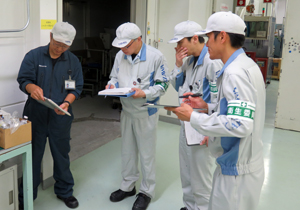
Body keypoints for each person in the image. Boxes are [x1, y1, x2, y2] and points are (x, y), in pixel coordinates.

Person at [166, 12, 265, 210]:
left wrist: (195, 117)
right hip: (237, 161)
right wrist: (207, 106)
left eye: (208, 37)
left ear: (222, 37)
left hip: (237, 168)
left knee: (203, 185)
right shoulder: (245, 66)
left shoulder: (234, 72)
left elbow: (240, 124)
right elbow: (237, 110)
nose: (206, 42)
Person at [17, 22, 83, 209]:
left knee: (61, 154)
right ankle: (26, 196)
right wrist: (32, 88)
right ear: (50, 37)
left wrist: (67, 103)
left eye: (65, 46)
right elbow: (23, 80)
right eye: (57, 44)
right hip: (35, 114)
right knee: (33, 156)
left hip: (60, 115)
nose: (60, 48)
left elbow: (76, 87)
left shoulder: (73, 61)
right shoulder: (34, 55)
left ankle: (65, 191)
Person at [106, 22, 169, 210]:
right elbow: (114, 77)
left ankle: (146, 191)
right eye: (121, 46)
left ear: (139, 39)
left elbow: (163, 84)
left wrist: (145, 93)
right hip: (127, 110)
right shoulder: (120, 55)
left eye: (127, 45)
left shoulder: (156, 57)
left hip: (145, 110)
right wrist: (111, 85)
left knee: (146, 153)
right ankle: (128, 186)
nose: (123, 49)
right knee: (127, 151)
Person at [168, 20, 223, 210]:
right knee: (187, 171)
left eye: (180, 42)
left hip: (203, 126)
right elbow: (177, 86)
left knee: (202, 178)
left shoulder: (212, 63)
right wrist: (177, 63)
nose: (178, 47)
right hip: (187, 123)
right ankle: (189, 206)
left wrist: (211, 131)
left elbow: (219, 101)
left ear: (194, 38)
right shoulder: (189, 61)